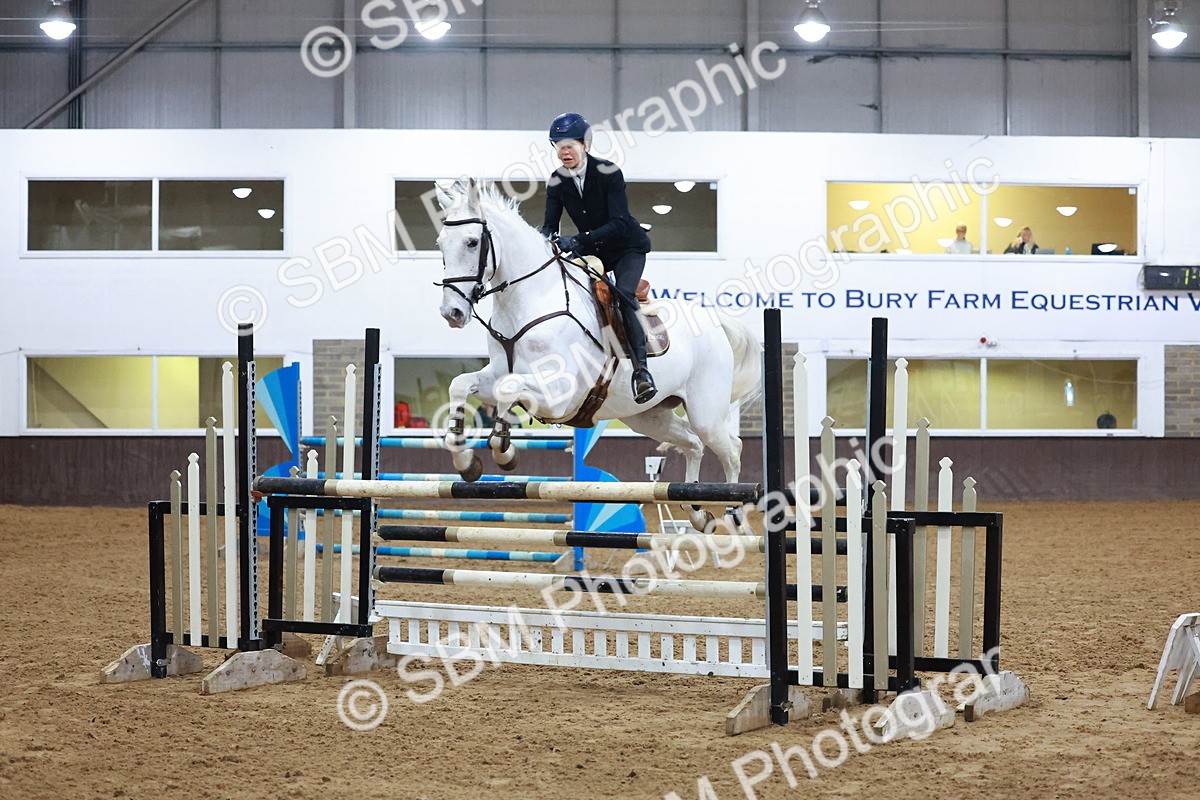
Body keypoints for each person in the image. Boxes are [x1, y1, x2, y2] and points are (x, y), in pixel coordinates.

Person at [539, 112, 657, 403]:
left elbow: (618, 223)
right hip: (593, 251)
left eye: (570, 145)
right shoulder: (556, 180)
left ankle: (641, 372)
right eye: (559, 145)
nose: (564, 152)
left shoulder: (609, 172)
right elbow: (549, 227)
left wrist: (577, 240)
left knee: (624, 293)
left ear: (585, 145)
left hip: (626, 246)